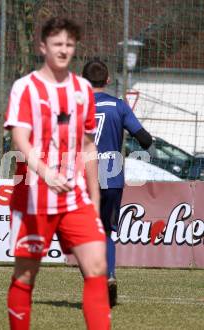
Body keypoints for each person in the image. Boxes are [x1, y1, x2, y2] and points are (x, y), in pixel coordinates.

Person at [4, 18, 110, 329]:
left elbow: (88, 145)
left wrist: (95, 195)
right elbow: (19, 138)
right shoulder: (25, 88)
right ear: (43, 47)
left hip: (75, 197)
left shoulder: (83, 89)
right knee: (25, 275)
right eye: (57, 44)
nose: (63, 50)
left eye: (69, 45)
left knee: (97, 266)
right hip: (34, 197)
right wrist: (44, 171)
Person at [82, 59, 152, 307]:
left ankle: (95, 282)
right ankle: (109, 275)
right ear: (108, 80)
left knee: (85, 235)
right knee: (107, 232)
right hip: (112, 176)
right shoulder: (119, 106)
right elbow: (144, 139)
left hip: (84, 176)